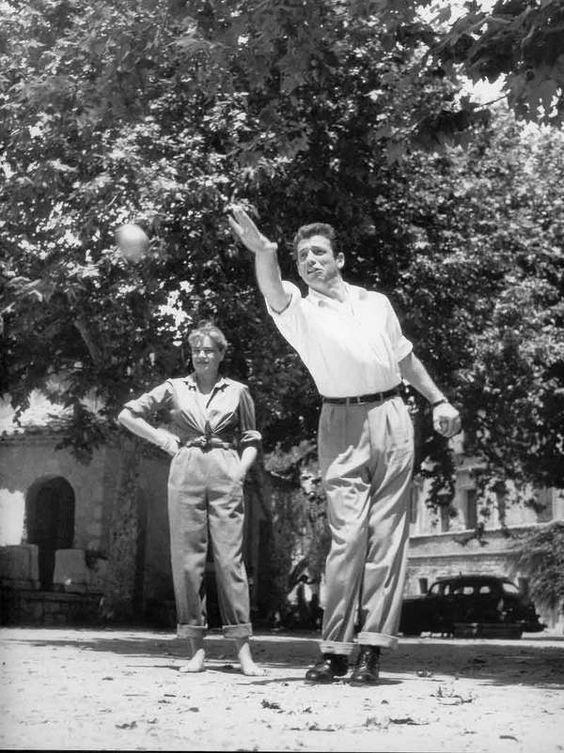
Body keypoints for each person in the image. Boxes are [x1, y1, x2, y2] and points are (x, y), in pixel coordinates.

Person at [228, 206, 461, 685]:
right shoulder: (298, 310)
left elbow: (406, 359)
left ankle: (371, 649)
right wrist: (265, 251)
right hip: (339, 423)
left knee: (388, 538)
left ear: (340, 258)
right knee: (347, 538)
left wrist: (438, 399)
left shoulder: (377, 303)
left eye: (319, 252)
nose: (310, 260)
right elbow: (272, 287)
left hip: (393, 415)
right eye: (301, 255)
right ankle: (335, 651)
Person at [117, 320, 265, 676]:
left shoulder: (238, 391)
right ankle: (195, 649)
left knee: (231, 560)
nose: (202, 355)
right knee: (187, 560)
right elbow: (127, 414)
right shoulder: (173, 388)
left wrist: (240, 471)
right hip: (184, 470)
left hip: (225, 468)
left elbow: (251, 438)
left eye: (209, 349)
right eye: (196, 349)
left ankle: (243, 651)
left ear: (221, 354)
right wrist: (162, 439)